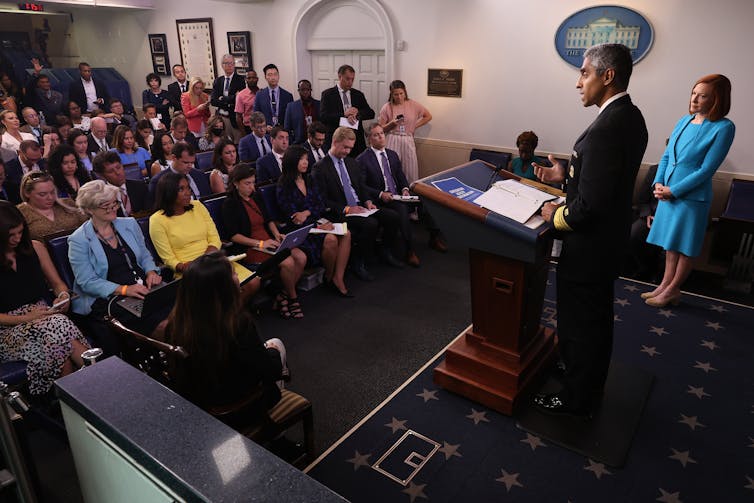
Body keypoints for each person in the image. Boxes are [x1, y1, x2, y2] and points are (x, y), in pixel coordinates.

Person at [532, 43, 648, 417]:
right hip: (608, 242)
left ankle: (574, 398)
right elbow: (604, 181)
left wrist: (554, 215)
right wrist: (565, 175)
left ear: (607, 76)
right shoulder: (631, 117)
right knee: (596, 320)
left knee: (579, 323)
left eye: (584, 73)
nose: (578, 82)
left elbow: (589, 206)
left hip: (589, 248)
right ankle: (588, 378)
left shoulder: (605, 129)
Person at [644, 74, 735, 307]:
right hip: (667, 193)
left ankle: (673, 289)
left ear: (716, 99)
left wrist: (673, 190)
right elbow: (666, 157)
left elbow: (707, 169)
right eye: (693, 93)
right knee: (671, 244)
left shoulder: (724, 127)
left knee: (685, 247)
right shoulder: (684, 120)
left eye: (702, 96)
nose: (694, 99)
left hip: (691, 197)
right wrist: (658, 184)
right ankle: (664, 286)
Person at [165, 252, 288, 413]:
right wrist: (274, 353)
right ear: (223, 287)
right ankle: (276, 429)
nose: (238, 277)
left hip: (200, 406)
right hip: (237, 408)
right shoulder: (237, 324)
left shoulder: (175, 324)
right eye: (234, 274)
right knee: (277, 346)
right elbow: (268, 371)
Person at [0, 201, 89, 396]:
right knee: (58, 328)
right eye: (10, 235)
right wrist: (26, 318)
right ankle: (97, 377)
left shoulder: (35, 247)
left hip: (45, 317)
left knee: (56, 338)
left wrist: (63, 296)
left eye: (20, 232)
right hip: (7, 329)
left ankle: (68, 399)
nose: (16, 239)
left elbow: (57, 284)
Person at [67, 180, 163, 356]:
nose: (113, 208)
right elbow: (87, 282)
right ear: (89, 209)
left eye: (115, 203)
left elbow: (144, 255)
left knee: (177, 308)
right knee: (159, 321)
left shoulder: (129, 224)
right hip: (108, 298)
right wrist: (125, 289)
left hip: (143, 286)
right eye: (106, 205)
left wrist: (151, 271)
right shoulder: (78, 240)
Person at [312, 126, 402, 281]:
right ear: (334, 142)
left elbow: (361, 187)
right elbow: (322, 200)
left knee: (393, 216)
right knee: (370, 224)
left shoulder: (352, 163)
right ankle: (357, 262)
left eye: (350, 148)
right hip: (341, 211)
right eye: (345, 147)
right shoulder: (320, 168)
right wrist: (348, 208)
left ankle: (385, 251)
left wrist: (367, 201)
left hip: (360, 206)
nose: (348, 151)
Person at [221, 164, 307, 318]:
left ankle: (282, 295)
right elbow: (234, 236)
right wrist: (260, 244)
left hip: (268, 242)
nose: (251, 187)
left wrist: (276, 234)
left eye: (253, 182)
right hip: (251, 247)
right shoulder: (230, 204)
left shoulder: (256, 195)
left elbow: (268, 220)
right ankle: (292, 298)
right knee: (288, 262)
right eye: (247, 183)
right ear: (235, 183)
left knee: (301, 257)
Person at [149, 171, 253, 284]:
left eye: (188, 188)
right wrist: (188, 266)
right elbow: (168, 258)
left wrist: (206, 259)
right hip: (189, 269)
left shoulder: (197, 206)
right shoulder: (157, 220)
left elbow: (214, 237)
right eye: (181, 189)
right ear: (169, 193)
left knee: (252, 282)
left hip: (213, 259)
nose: (188, 192)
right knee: (229, 286)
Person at [277, 145, 352, 297]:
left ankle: (338, 277)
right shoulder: (284, 185)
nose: (306, 162)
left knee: (346, 233)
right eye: (301, 159)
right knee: (330, 239)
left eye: (306, 159)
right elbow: (294, 218)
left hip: (316, 221)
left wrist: (308, 212)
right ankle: (329, 277)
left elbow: (320, 203)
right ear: (292, 161)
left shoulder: (309, 179)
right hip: (299, 229)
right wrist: (314, 221)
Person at [357, 123, 420, 267]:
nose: (381, 137)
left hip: (397, 195)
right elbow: (362, 186)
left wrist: (404, 188)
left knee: (426, 202)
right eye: (376, 135)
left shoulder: (392, 154)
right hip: (379, 199)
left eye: (382, 133)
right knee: (401, 209)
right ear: (369, 139)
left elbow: (400, 174)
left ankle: (434, 238)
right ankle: (409, 250)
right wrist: (380, 194)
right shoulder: (363, 159)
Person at [378, 80, 432, 183]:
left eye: (401, 93)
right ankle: (391, 190)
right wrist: (391, 124)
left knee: (410, 168)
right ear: (391, 94)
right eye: (396, 94)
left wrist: (414, 126)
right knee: (391, 166)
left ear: (405, 92)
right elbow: (380, 129)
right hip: (392, 137)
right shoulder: (387, 107)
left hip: (407, 137)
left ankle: (409, 192)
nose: (399, 97)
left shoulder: (414, 105)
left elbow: (428, 116)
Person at [320, 65, 375, 157]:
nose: (350, 82)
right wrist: (343, 115)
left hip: (356, 141)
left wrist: (357, 114)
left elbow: (371, 113)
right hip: (337, 139)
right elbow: (323, 117)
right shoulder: (327, 94)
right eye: (347, 79)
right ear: (339, 76)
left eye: (352, 79)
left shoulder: (358, 94)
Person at [92, 151, 149, 217]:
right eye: (111, 171)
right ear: (101, 175)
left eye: (118, 167)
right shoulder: (102, 197)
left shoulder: (140, 186)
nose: (118, 173)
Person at [210, 54, 245, 132]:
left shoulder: (240, 80)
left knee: (237, 142)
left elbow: (238, 100)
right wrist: (229, 102)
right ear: (222, 65)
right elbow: (213, 101)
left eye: (232, 63)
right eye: (227, 63)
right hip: (220, 119)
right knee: (222, 142)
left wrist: (222, 98)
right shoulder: (218, 81)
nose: (230, 65)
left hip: (234, 118)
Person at [253, 64, 293, 128]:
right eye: (270, 75)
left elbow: (290, 117)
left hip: (282, 132)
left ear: (278, 76)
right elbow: (256, 115)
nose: (273, 77)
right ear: (265, 77)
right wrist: (265, 126)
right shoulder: (259, 95)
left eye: (275, 74)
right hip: (265, 132)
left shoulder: (288, 96)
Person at [284, 79, 320, 145]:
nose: (305, 92)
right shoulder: (291, 106)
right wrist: (292, 143)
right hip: (298, 143)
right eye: (302, 90)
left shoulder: (319, 105)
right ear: (298, 91)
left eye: (307, 89)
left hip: (316, 142)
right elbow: (287, 128)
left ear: (310, 90)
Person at [235, 70, 259, 134]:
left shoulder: (262, 93)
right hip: (248, 128)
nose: (251, 80)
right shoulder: (241, 95)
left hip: (261, 127)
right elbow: (238, 117)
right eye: (249, 78)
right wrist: (243, 133)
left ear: (257, 79)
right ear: (246, 80)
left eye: (253, 78)